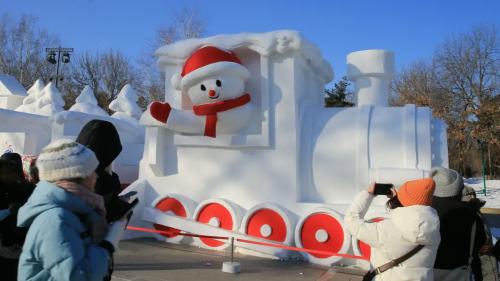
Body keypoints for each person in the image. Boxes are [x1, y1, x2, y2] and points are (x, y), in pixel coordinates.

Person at [17, 139, 128, 281]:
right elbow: (77, 276)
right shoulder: (55, 219)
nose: (96, 176)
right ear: (76, 177)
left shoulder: (76, 212)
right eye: (92, 171)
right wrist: (108, 245)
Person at [344, 178, 441, 281]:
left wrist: (368, 194)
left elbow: (351, 221)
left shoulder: (385, 230)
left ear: (402, 199)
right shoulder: (434, 230)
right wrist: (398, 202)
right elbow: (408, 221)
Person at [431, 167, 484, 281]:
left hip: (426, 271)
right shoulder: (471, 215)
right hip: (458, 271)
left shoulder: (424, 212)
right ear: (459, 188)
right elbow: (479, 243)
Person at [76, 120, 132, 222]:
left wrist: (120, 202)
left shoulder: (71, 168)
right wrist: (122, 208)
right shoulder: (98, 178)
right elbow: (101, 215)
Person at [0, 159, 34, 281]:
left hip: (24, 246)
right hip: (4, 247)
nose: (5, 176)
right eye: (2, 173)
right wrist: (9, 211)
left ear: (18, 172)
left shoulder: (30, 189)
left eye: (9, 172)